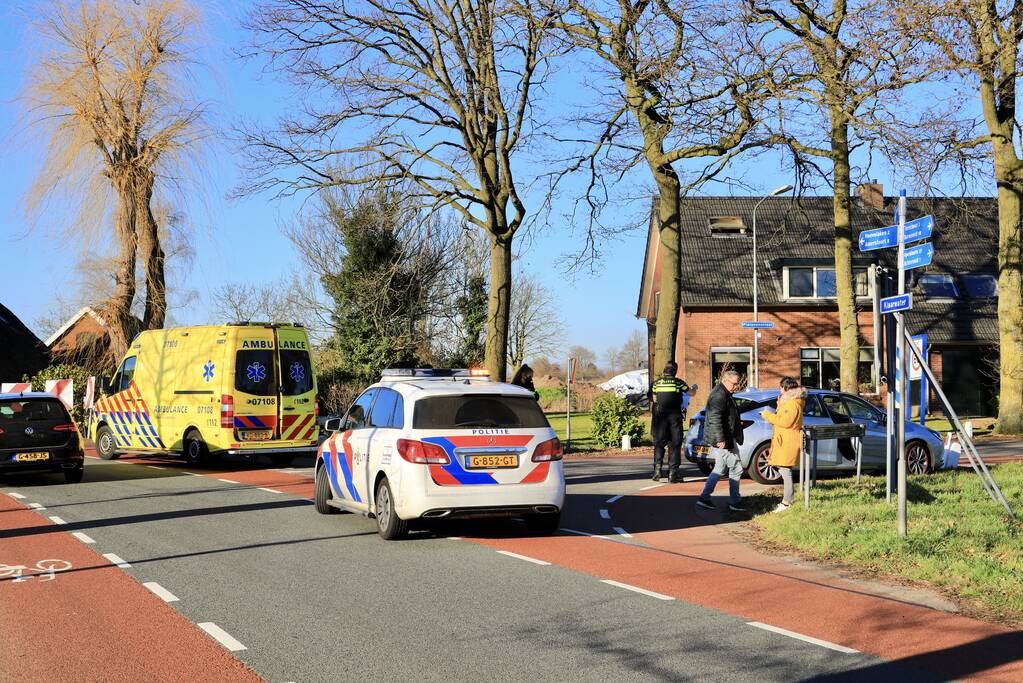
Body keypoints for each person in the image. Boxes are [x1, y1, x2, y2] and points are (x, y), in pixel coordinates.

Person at [696, 370, 747, 512]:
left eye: (737, 384)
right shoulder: (719, 395)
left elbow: (726, 415)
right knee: (736, 468)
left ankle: (704, 498)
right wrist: (720, 438)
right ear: (725, 380)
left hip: (726, 437)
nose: (736, 386)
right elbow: (715, 418)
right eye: (734, 384)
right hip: (723, 439)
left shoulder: (724, 392)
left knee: (719, 468)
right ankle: (735, 502)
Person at [761, 377, 806, 512]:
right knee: (784, 471)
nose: (779, 390)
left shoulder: (792, 404)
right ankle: (787, 500)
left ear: (786, 388)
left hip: (787, 442)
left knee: (786, 472)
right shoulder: (790, 402)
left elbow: (785, 422)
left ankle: (787, 502)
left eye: (781, 387)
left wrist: (767, 415)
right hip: (785, 440)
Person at [650, 361, 690, 483]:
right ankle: (673, 475)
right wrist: (694, 388)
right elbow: (690, 393)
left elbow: (655, 399)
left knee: (659, 444)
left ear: (664, 370)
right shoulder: (678, 382)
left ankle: (657, 471)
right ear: (675, 371)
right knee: (675, 444)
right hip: (674, 417)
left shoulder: (657, 383)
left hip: (660, 417)